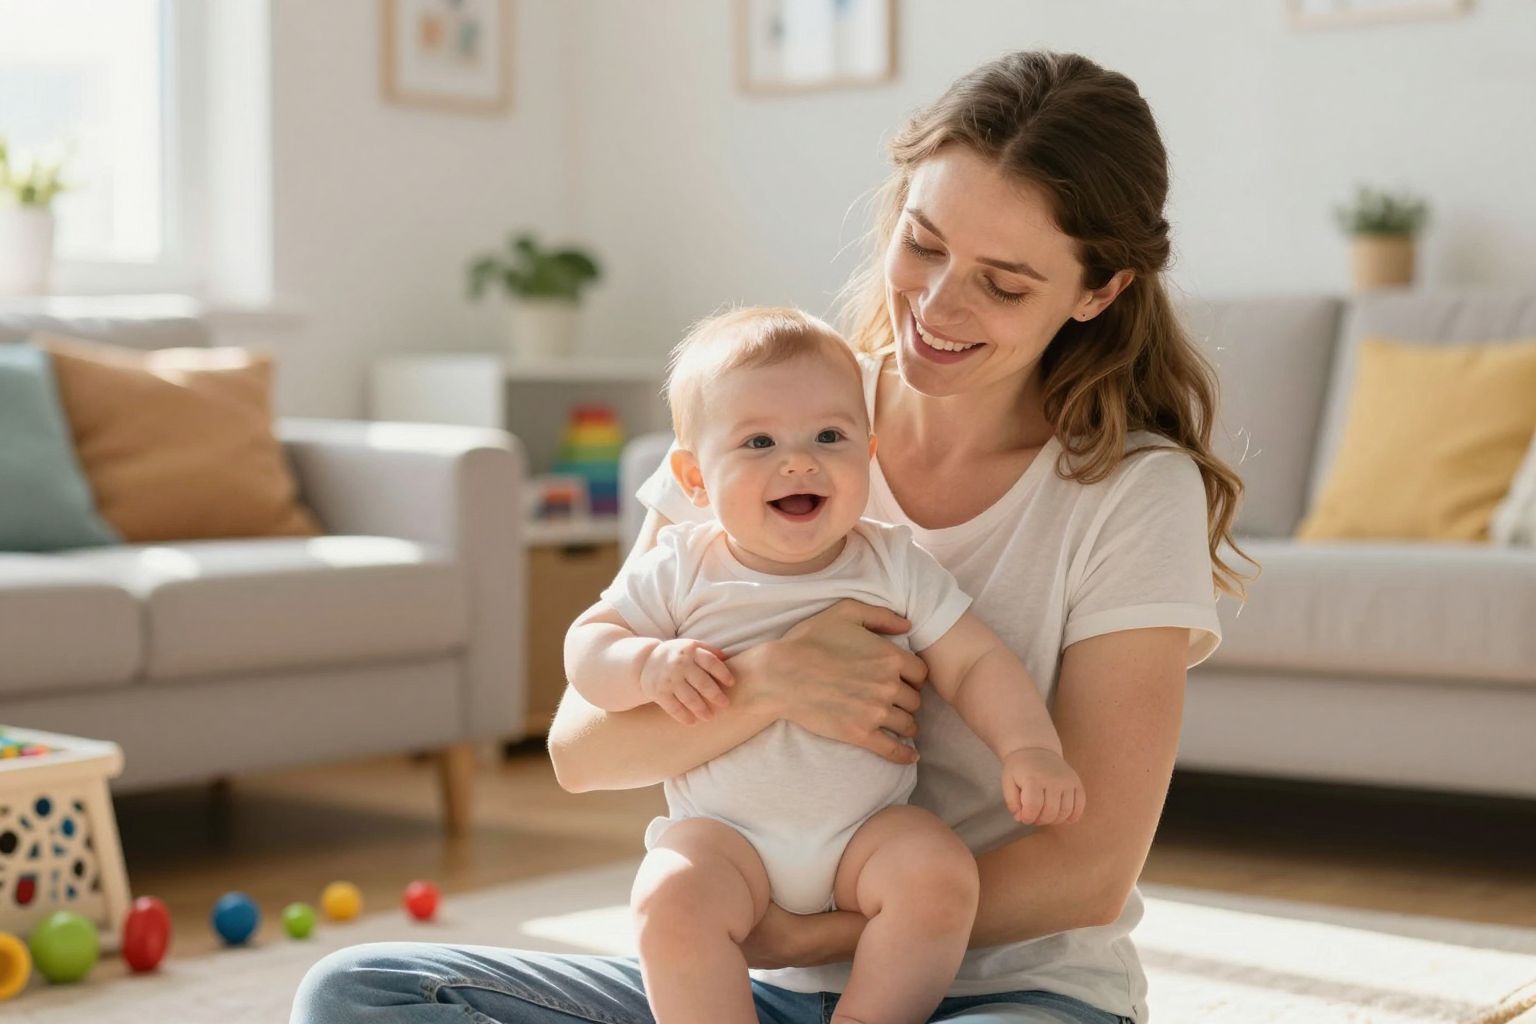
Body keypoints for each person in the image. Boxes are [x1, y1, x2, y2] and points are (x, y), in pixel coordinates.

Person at [290, 49, 1249, 1024]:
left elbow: (1087, 873)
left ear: (1098, 291)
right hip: (742, 989)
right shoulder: (770, 415)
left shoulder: (1130, 490)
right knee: (363, 995)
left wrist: (820, 935)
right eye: (923, 242)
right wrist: (767, 683)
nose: (938, 304)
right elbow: (582, 750)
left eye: (1002, 285)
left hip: (1005, 993)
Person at [566, 306, 1085, 1024]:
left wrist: (1029, 747)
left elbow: (974, 663)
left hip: (864, 832)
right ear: (693, 479)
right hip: (725, 839)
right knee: (668, 898)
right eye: (758, 441)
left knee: (937, 874)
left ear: (867, 457)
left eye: (829, 437)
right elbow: (588, 645)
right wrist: (645, 664)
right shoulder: (683, 566)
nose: (798, 460)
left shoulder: (891, 562)